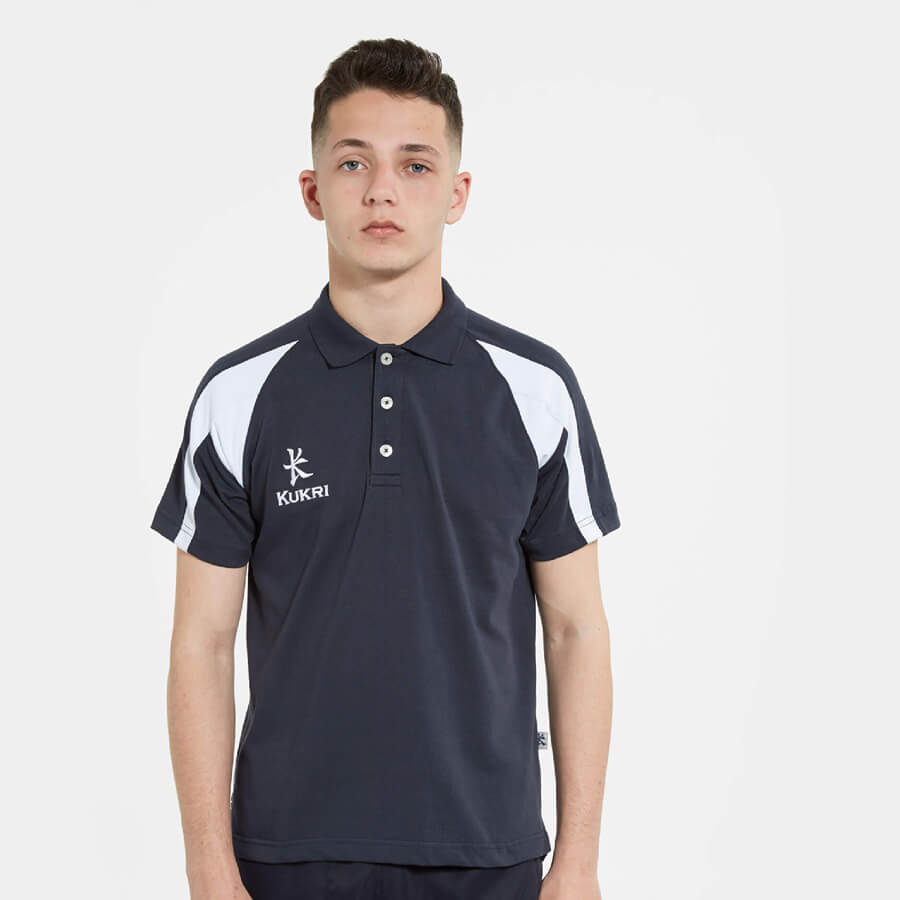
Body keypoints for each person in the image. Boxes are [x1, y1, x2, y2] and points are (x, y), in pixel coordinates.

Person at [150, 37, 620, 900]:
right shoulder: (239, 395)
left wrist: (579, 864)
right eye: (353, 162)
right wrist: (209, 869)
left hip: (491, 855)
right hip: (285, 857)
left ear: (456, 193)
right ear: (313, 190)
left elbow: (576, 631)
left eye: (415, 164)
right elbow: (202, 643)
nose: (381, 191)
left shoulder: (535, 390)